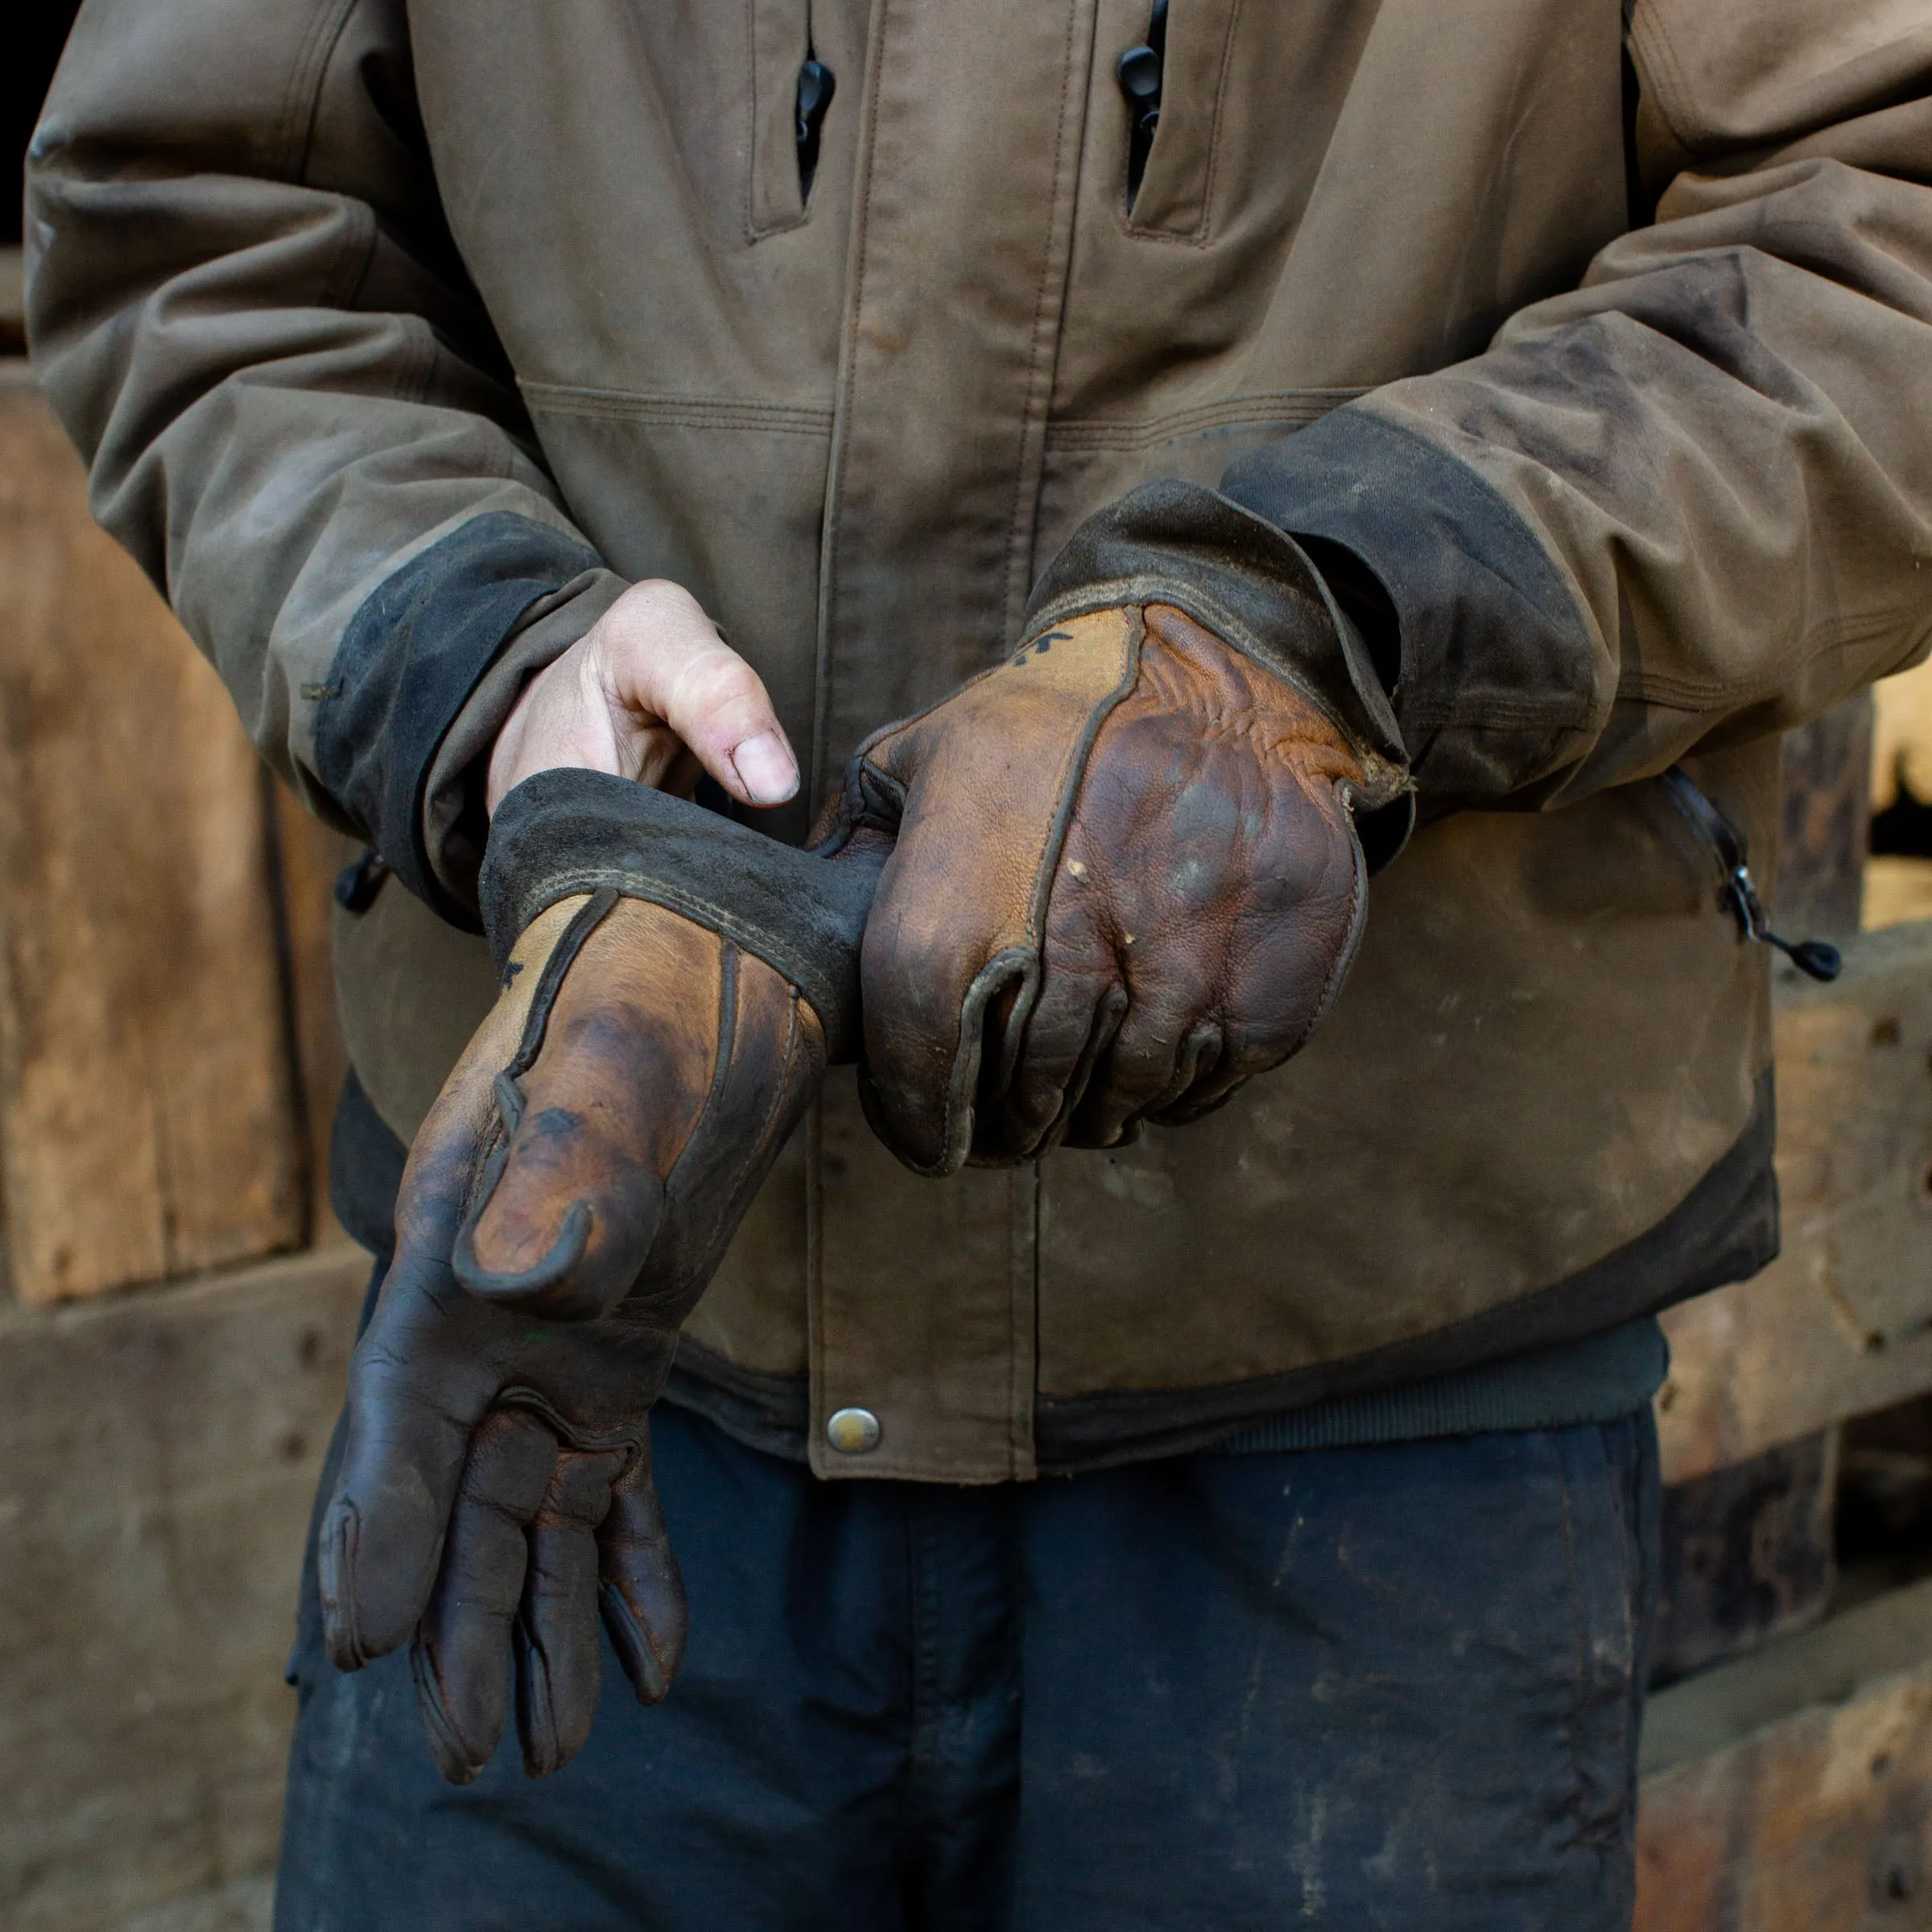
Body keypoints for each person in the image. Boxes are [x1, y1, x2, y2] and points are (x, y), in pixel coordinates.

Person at [26, 2, 1932, 1924]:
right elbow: (202, 224)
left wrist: (1325, 620)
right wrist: (486, 675)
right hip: (595, 1330)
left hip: (1362, 1428)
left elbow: (1886, 224)